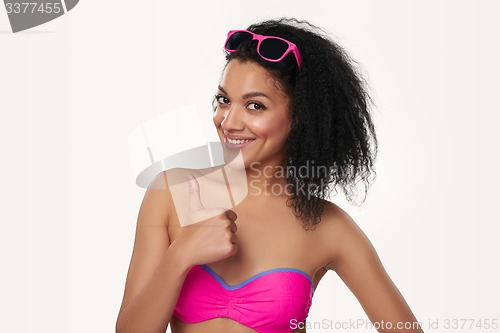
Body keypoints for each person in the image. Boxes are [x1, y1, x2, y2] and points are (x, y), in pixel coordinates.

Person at [115, 18, 424, 333]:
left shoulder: (329, 227)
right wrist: (181, 255)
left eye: (254, 106)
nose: (229, 121)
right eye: (224, 100)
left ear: (300, 116)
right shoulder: (172, 191)